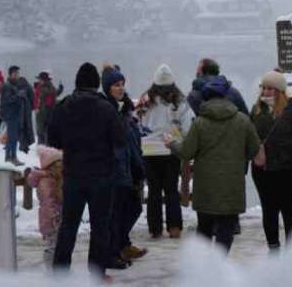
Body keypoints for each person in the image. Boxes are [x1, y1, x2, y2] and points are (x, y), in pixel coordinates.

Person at [48, 62, 128, 277]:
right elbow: (120, 140)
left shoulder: (63, 106)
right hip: (102, 176)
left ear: (77, 83)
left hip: (73, 175)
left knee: (68, 226)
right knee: (100, 227)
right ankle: (96, 274)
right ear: (96, 84)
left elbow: (53, 140)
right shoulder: (106, 108)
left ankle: (60, 273)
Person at [165, 76, 260, 254]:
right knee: (226, 229)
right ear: (225, 96)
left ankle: (206, 268)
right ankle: (220, 267)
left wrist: (171, 144)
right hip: (232, 186)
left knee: (205, 228)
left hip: (206, 188)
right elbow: (255, 150)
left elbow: (186, 152)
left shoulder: (200, 123)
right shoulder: (242, 120)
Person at [250, 70, 292, 251]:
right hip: (263, 170)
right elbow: (249, 137)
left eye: (271, 88)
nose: (266, 92)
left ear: (280, 90)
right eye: (264, 88)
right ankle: (273, 248)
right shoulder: (257, 109)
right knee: (269, 211)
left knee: (289, 211)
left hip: (287, 171)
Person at [137, 64, 193, 239]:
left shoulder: (145, 100)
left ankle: (155, 229)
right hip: (170, 150)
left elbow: (137, 122)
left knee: (154, 190)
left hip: (148, 151)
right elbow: (188, 126)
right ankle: (174, 227)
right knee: (170, 189)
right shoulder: (179, 100)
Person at [102, 65, 148, 265]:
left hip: (131, 166)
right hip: (115, 169)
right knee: (117, 211)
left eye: (122, 84)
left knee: (134, 207)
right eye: (115, 85)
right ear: (107, 88)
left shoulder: (126, 109)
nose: (120, 88)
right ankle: (114, 250)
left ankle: (122, 244)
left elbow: (132, 140)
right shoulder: (107, 109)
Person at [28, 145, 64, 268]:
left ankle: (56, 267)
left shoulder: (54, 179)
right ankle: (50, 269)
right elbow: (47, 204)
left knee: (57, 244)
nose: (62, 166)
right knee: (52, 245)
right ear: (52, 166)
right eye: (59, 164)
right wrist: (54, 218)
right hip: (51, 220)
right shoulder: (46, 182)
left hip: (55, 218)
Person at [0, 66, 27, 166]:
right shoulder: (7, 86)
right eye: (15, 74)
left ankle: (10, 157)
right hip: (11, 115)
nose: (17, 75)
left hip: (14, 114)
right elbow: (7, 100)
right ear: (10, 74)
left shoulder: (13, 85)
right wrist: (19, 95)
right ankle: (11, 158)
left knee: (12, 137)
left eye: (18, 73)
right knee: (13, 137)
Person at [34, 71, 64, 146]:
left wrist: (60, 89)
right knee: (40, 129)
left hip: (49, 110)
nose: (39, 81)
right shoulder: (40, 87)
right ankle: (41, 146)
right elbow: (36, 98)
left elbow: (55, 94)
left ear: (45, 80)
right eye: (39, 79)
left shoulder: (49, 87)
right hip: (41, 111)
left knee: (47, 129)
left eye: (40, 79)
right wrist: (36, 108)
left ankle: (46, 145)